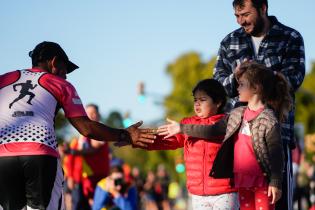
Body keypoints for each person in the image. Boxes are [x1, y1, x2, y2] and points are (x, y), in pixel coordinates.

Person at [0, 41, 155, 210]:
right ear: (54, 62)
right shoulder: (59, 84)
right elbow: (86, 128)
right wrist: (125, 134)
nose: (66, 76)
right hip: (40, 154)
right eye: (65, 69)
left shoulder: (4, 80)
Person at [158, 61, 292, 209]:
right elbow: (211, 130)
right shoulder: (236, 115)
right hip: (242, 182)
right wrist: (182, 128)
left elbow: (277, 154)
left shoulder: (268, 119)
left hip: (262, 182)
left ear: (255, 88)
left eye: (241, 84)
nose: (237, 88)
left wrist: (276, 182)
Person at [213, 1, 305, 209]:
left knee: (278, 203)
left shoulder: (290, 38)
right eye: (236, 16)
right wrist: (236, 78)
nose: (240, 21)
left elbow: (293, 80)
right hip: (240, 145)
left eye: (245, 14)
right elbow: (218, 85)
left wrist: (257, 76)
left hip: (277, 139)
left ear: (263, 8)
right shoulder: (230, 41)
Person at [139, 79, 240, 210]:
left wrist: (182, 128)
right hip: (198, 194)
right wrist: (136, 139)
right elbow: (166, 140)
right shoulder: (187, 123)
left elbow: (211, 132)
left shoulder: (228, 121)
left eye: (203, 100)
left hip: (225, 192)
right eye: (195, 100)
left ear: (218, 102)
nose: (197, 104)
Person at [66, 103, 111, 210]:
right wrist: (71, 176)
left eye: (94, 113)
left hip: (99, 177)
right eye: (88, 113)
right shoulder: (82, 134)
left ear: (99, 115)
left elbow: (93, 149)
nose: (91, 116)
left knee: (99, 206)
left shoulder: (101, 130)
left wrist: (73, 152)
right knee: (80, 205)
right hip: (83, 178)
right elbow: (71, 158)